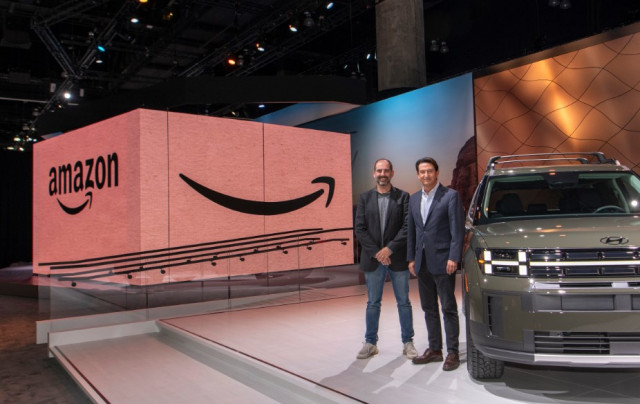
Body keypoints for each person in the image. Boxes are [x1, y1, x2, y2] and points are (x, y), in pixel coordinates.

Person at [354, 158, 417, 360]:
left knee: (404, 302)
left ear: (392, 173)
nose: (382, 174)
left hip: (397, 259)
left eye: (386, 170)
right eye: (379, 171)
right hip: (373, 261)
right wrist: (377, 253)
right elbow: (360, 229)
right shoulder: (364, 198)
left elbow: (407, 227)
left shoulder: (403, 197)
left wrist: (389, 249)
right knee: (373, 303)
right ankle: (370, 343)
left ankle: (408, 343)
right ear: (374, 174)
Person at [407, 157, 465, 371]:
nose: (425, 175)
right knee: (428, 308)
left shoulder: (450, 196)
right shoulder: (414, 199)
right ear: (417, 174)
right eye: (422, 172)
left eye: (429, 171)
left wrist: (454, 257)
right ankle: (435, 349)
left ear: (437, 172)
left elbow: (457, 230)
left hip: (443, 261)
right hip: (421, 263)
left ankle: (452, 352)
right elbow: (412, 231)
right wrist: (411, 258)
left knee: (448, 308)